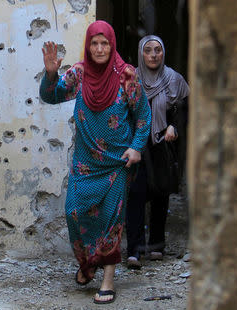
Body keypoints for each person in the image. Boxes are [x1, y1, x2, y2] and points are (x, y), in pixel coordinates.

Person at [39, 21, 151, 304]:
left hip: (117, 164)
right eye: (94, 43)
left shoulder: (127, 76)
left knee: (111, 221)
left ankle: (108, 279)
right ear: (88, 46)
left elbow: (143, 116)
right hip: (85, 164)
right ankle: (88, 262)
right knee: (73, 212)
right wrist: (51, 74)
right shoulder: (78, 73)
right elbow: (51, 96)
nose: (99, 48)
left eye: (104, 43)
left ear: (112, 45)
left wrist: (136, 148)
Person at [125, 35, 189, 269]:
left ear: (164, 53)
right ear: (141, 53)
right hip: (136, 145)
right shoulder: (131, 78)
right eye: (148, 50)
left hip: (162, 143)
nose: (153, 55)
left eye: (158, 50)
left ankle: (156, 245)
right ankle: (134, 249)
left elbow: (185, 109)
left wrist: (174, 125)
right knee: (135, 196)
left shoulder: (174, 79)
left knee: (161, 195)